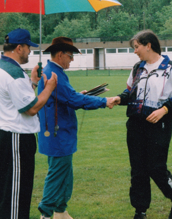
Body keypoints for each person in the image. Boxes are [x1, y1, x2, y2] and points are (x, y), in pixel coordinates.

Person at [36, 37, 120, 219]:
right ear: (60, 55)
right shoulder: (53, 74)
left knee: (65, 174)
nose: (72, 59)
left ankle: (60, 211)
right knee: (58, 174)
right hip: (58, 134)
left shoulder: (53, 72)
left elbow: (68, 97)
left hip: (60, 133)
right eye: (70, 55)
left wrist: (79, 95)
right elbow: (73, 100)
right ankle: (46, 213)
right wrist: (104, 101)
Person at [117, 30, 172, 219]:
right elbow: (129, 93)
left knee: (156, 167)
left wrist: (164, 110)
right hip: (135, 125)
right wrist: (118, 98)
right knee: (138, 169)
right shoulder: (137, 68)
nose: (135, 52)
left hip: (159, 126)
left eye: (137, 47)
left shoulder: (169, 67)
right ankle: (140, 211)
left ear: (148, 45)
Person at [0, 28, 58, 219]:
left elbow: (17, 100)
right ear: (19, 48)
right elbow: (32, 108)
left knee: (10, 191)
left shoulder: (3, 68)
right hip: (16, 139)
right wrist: (49, 88)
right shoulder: (14, 74)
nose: (30, 52)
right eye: (28, 47)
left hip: (9, 138)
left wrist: (33, 83)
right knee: (16, 194)